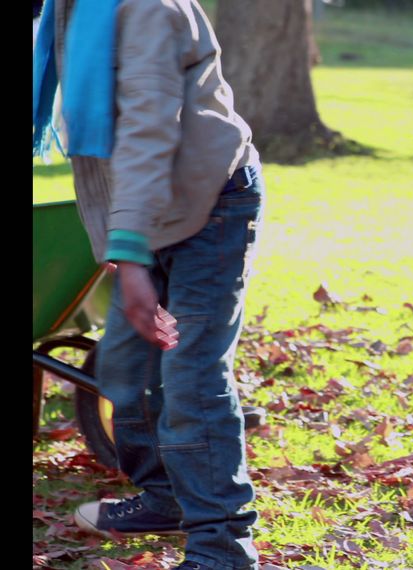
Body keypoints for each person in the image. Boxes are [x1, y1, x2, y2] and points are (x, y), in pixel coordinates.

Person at [33, 0, 263, 568]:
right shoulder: (67, 11)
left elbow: (147, 131)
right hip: (146, 207)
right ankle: (166, 498)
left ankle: (222, 547)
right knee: (124, 368)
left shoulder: (144, 10)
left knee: (189, 374)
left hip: (211, 203)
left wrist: (130, 254)